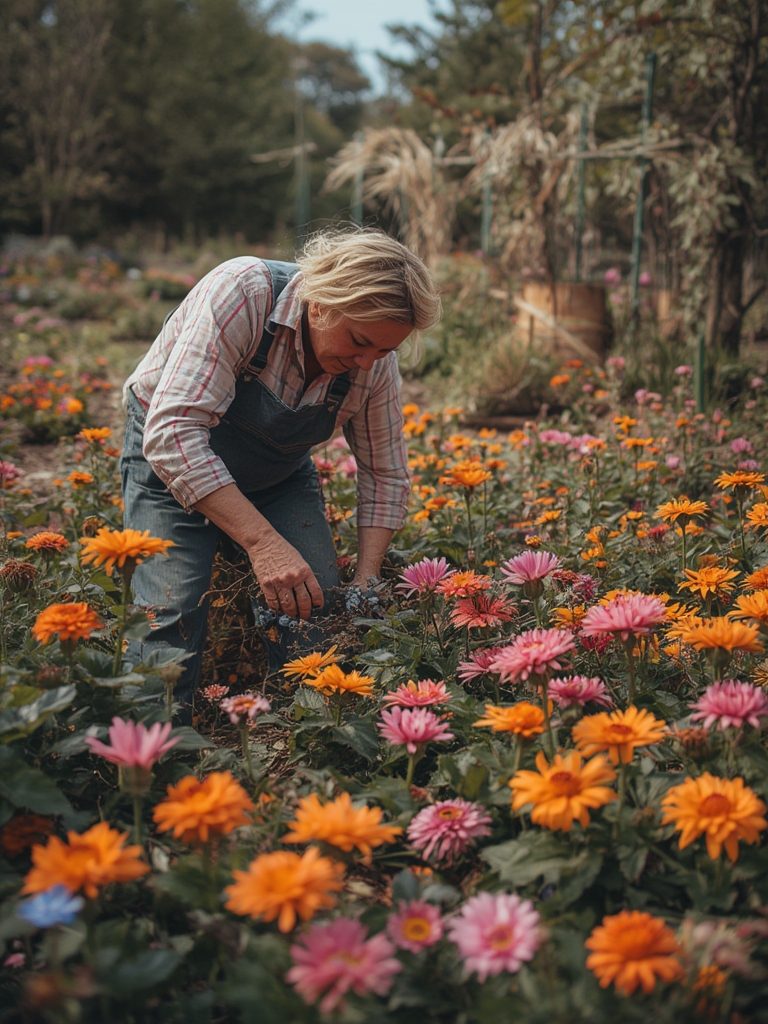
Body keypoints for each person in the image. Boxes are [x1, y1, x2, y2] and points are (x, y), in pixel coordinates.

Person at [120, 227, 441, 718]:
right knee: (170, 614)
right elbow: (174, 435)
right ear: (321, 301)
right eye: (358, 342)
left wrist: (368, 575)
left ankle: (305, 740)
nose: (367, 362)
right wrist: (264, 545)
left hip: (275, 475)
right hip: (169, 465)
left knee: (313, 612)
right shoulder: (244, 293)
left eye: (384, 351)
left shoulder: (372, 364)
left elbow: (386, 472)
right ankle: (150, 764)